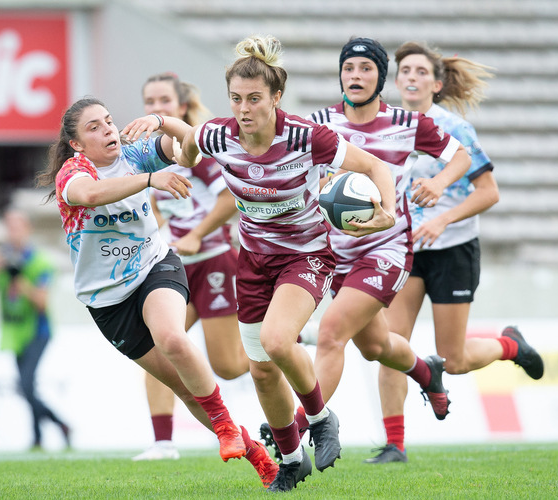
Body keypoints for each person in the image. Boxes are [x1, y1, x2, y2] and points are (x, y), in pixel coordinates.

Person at [172, 35, 397, 492]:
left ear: (276, 97)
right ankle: (292, 460)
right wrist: (180, 158)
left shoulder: (306, 137)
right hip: (252, 260)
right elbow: (191, 147)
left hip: (307, 255)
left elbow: (378, 168)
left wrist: (386, 213)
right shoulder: (217, 135)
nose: (244, 109)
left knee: (277, 341)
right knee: (260, 370)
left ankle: (320, 416)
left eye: (254, 99)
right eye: (236, 99)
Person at [35, 96, 277, 488]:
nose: (108, 130)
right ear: (77, 143)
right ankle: (253, 452)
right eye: (94, 127)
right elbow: (91, 195)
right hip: (107, 302)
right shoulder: (73, 171)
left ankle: (227, 431)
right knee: (183, 388)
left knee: (171, 337)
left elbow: (191, 150)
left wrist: (165, 121)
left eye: (109, 121)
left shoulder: (136, 154)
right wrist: (151, 179)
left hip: (154, 266)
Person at [267, 37, 471, 447]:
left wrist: (437, 181)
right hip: (335, 253)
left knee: (330, 333)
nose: (356, 76)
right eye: (349, 68)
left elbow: (461, 157)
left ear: (381, 78)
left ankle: (298, 426)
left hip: (387, 249)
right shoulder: (320, 124)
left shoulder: (408, 125)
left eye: (365, 69)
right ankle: (426, 371)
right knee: (376, 345)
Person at [365, 41, 545, 464]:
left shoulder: (455, 129)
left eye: (420, 72)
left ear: (437, 83)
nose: (411, 77)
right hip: (405, 249)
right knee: (391, 344)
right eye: (404, 70)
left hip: (453, 249)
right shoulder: (387, 126)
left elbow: (489, 193)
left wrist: (443, 217)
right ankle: (395, 444)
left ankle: (509, 345)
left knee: (455, 359)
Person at [132, 72, 252, 463]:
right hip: (178, 270)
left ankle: (289, 341)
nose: (155, 109)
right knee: (156, 346)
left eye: (163, 101)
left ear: (181, 107)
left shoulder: (194, 145)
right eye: (149, 102)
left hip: (215, 261)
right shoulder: (147, 152)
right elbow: (156, 209)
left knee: (230, 367)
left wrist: (198, 233)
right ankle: (163, 443)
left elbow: (231, 199)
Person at [0, 209, 71, 451]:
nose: (13, 233)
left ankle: (60, 424)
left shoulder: (39, 261)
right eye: (9, 227)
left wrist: (22, 285)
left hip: (38, 331)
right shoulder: (2, 259)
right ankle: (39, 436)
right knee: (27, 386)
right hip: (14, 332)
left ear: (27, 229)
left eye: (17, 227)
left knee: (26, 384)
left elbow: (42, 303)